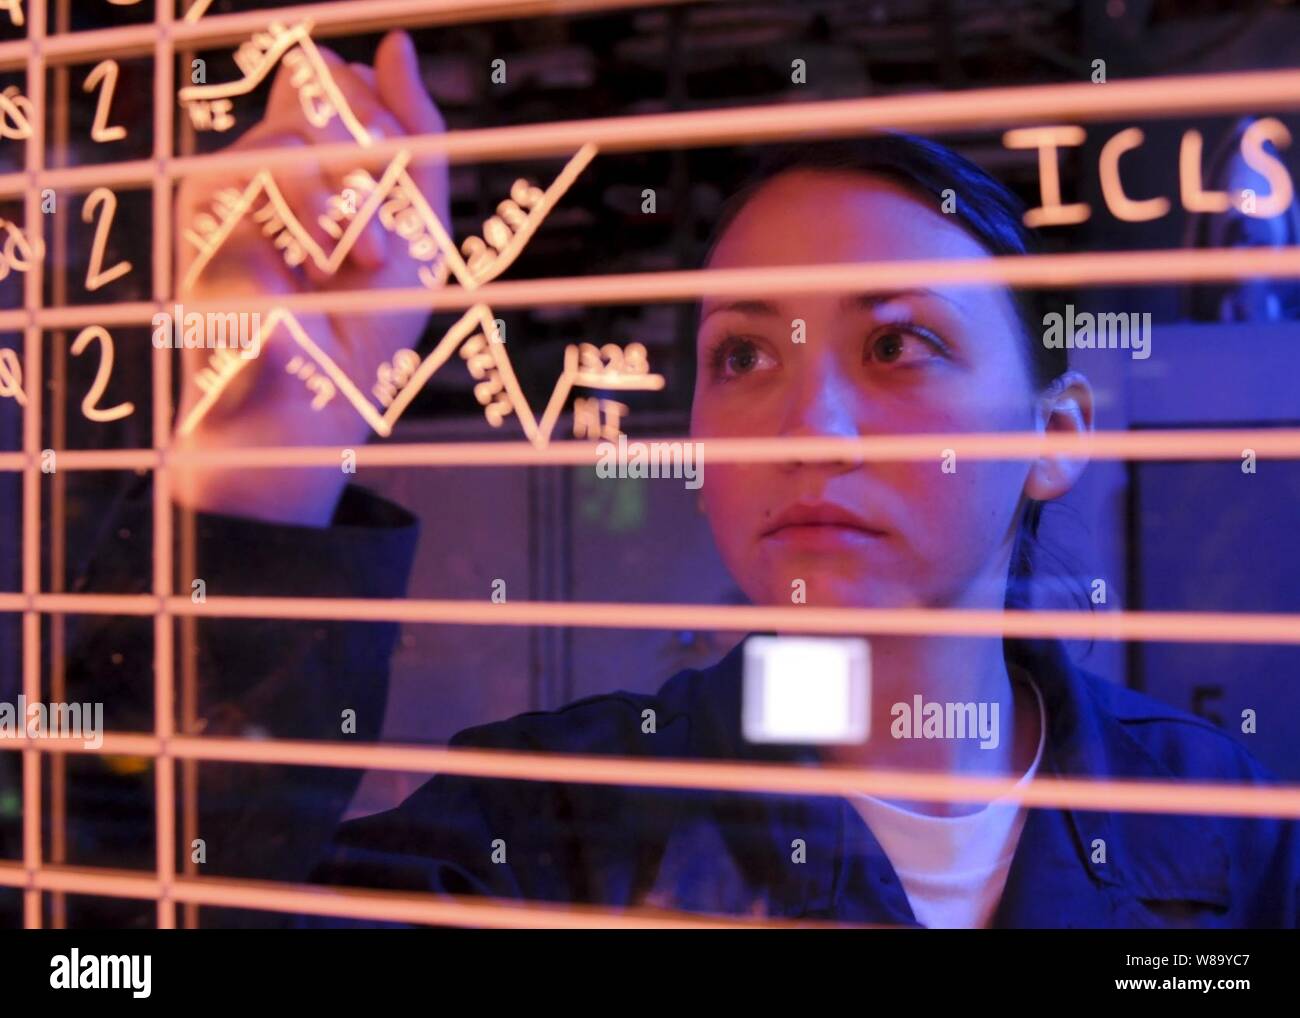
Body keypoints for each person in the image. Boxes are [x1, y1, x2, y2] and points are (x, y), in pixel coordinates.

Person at [59, 30, 1297, 928]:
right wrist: (259, 472)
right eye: (743, 355)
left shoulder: (1227, 831)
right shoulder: (552, 830)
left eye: (896, 345)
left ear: (1055, 431)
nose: (804, 424)